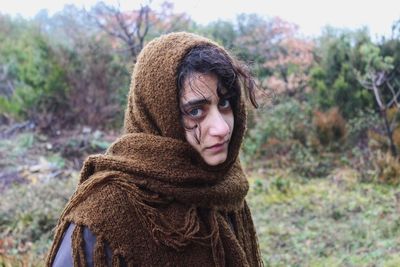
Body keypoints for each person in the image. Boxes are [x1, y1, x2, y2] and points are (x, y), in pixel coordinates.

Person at [46, 32, 263, 267]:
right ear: (158, 114)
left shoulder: (224, 186)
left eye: (224, 103)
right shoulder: (105, 212)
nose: (221, 128)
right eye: (195, 111)